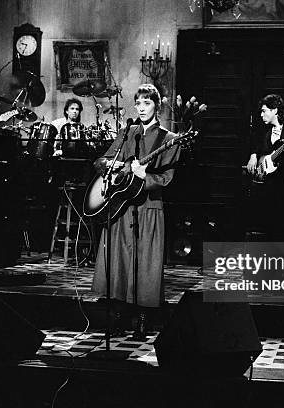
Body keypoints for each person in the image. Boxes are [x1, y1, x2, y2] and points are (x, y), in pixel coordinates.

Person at [91, 84, 180, 336]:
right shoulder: (127, 131)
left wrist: (146, 175)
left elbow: (168, 178)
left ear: (157, 106)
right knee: (119, 261)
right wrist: (114, 164)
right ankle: (117, 318)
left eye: (147, 103)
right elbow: (100, 161)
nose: (141, 108)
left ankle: (143, 320)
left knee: (145, 264)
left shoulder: (169, 139)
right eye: (138, 103)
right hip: (121, 206)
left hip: (149, 207)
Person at [245, 94, 284, 240]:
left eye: (264, 111)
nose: (261, 115)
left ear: (274, 110)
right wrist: (254, 155)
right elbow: (261, 148)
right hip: (271, 185)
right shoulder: (267, 133)